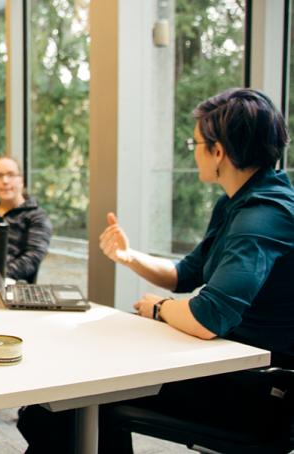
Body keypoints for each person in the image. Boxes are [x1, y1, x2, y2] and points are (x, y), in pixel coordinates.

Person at [18, 88, 294, 452]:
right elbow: (186, 274)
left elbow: (208, 317)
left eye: (194, 143)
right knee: (58, 402)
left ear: (218, 151)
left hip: (255, 391)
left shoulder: (262, 216)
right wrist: (129, 256)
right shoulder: (236, 204)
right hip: (224, 365)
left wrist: (159, 309)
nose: (191, 151)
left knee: (64, 406)